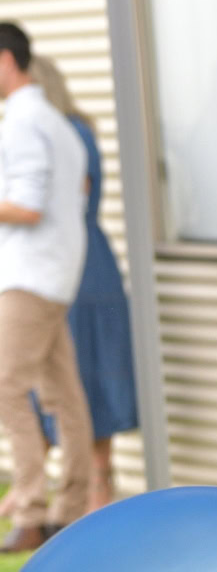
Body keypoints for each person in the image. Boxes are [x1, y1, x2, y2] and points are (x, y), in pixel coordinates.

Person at [29, 55, 136, 514]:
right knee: (65, 376)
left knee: (85, 373)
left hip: (79, 267)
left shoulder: (67, 135)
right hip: (72, 262)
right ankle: (80, 487)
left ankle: (94, 485)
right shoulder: (63, 133)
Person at [0, 21, 91, 551]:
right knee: (64, 396)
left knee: (6, 385)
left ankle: (31, 510)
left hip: (30, 275)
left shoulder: (22, 122)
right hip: (56, 273)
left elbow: (29, 207)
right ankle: (70, 509)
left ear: (7, 62)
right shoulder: (58, 123)